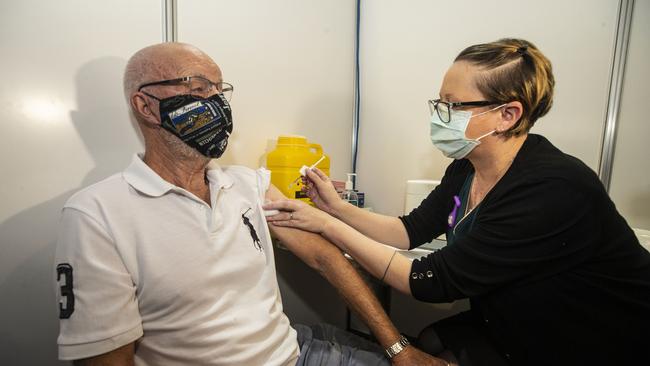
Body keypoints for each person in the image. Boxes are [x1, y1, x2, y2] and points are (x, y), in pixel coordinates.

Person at [53, 43, 448, 366]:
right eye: (197, 87)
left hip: (296, 352)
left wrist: (399, 349)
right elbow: (106, 356)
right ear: (146, 105)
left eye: (219, 91)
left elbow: (324, 256)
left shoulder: (247, 183)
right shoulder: (96, 214)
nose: (216, 104)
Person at [264, 38, 650, 366]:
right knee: (430, 340)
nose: (440, 116)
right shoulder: (467, 167)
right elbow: (409, 231)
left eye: (454, 105)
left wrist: (326, 226)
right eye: (440, 103)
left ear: (507, 114)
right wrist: (335, 208)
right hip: (510, 322)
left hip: (588, 337)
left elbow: (429, 282)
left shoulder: (553, 187)